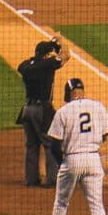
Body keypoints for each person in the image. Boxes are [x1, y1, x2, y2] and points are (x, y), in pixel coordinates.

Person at [43, 78, 108, 215]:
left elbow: (53, 143)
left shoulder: (63, 111)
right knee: (97, 206)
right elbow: (107, 131)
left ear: (67, 94)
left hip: (72, 159)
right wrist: (94, 143)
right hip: (93, 159)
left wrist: (62, 163)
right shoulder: (97, 106)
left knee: (62, 202)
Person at [16, 37, 70, 187]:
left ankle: (31, 179)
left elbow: (26, 65)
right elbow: (67, 55)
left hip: (27, 110)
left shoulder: (26, 66)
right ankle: (52, 180)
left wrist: (49, 48)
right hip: (42, 110)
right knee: (50, 143)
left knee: (31, 146)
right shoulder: (48, 65)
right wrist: (59, 42)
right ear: (47, 55)